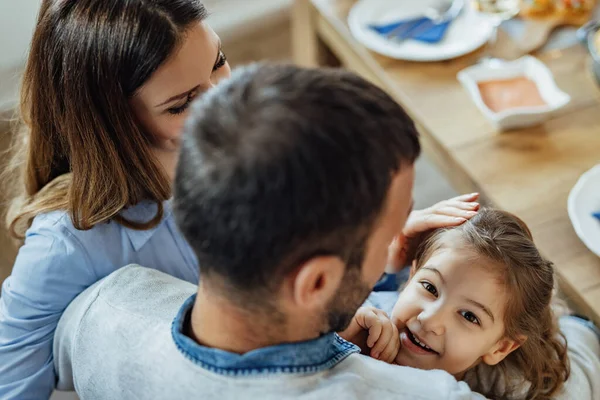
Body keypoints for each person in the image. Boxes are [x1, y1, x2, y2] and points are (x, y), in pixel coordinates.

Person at [53, 64, 600, 399]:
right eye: (391, 237)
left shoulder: (102, 307)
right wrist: (575, 330)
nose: (401, 249)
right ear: (316, 284)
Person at [0, 1, 230, 398]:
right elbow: (12, 384)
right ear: (113, 124)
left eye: (218, 61)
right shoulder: (66, 244)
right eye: (181, 103)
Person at [342, 208, 600, 399]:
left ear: (501, 347)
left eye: (468, 316)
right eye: (430, 287)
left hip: (576, 339)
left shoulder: (519, 384)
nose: (430, 319)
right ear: (412, 276)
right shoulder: (366, 318)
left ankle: (561, 316)